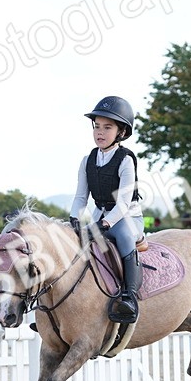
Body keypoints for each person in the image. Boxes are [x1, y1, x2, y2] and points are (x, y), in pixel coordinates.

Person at [69, 95, 145, 324]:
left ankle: (129, 296)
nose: (100, 132)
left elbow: (122, 203)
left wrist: (105, 224)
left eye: (107, 127)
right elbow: (81, 196)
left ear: (121, 132)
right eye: (97, 127)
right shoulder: (87, 160)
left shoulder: (125, 160)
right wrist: (73, 218)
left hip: (127, 217)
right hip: (99, 215)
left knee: (122, 238)